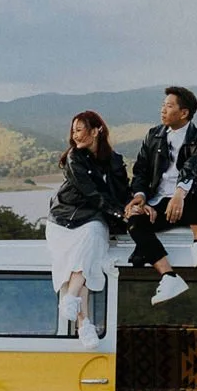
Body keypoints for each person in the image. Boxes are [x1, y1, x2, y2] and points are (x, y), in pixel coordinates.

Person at [123, 85, 197, 303]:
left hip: (189, 202)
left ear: (184, 112)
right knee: (134, 221)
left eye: (169, 106)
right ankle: (169, 276)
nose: (163, 110)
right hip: (160, 202)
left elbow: (195, 167)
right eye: (163, 105)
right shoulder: (154, 135)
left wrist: (179, 194)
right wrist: (140, 196)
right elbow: (140, 170)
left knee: (195, 185)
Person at [44, 111, 127, 345]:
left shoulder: (115, 161)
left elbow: (122, 192)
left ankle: (77, 311)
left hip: (92, 218)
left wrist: (133, 206)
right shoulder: (74, 158)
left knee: (90, 239)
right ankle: (83, 320)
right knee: (83, 260)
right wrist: (121, 213)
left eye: (79, 129)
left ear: (96, 130)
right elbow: (92, 194)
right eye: (73, 130)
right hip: (62, 219)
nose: (75, 135)